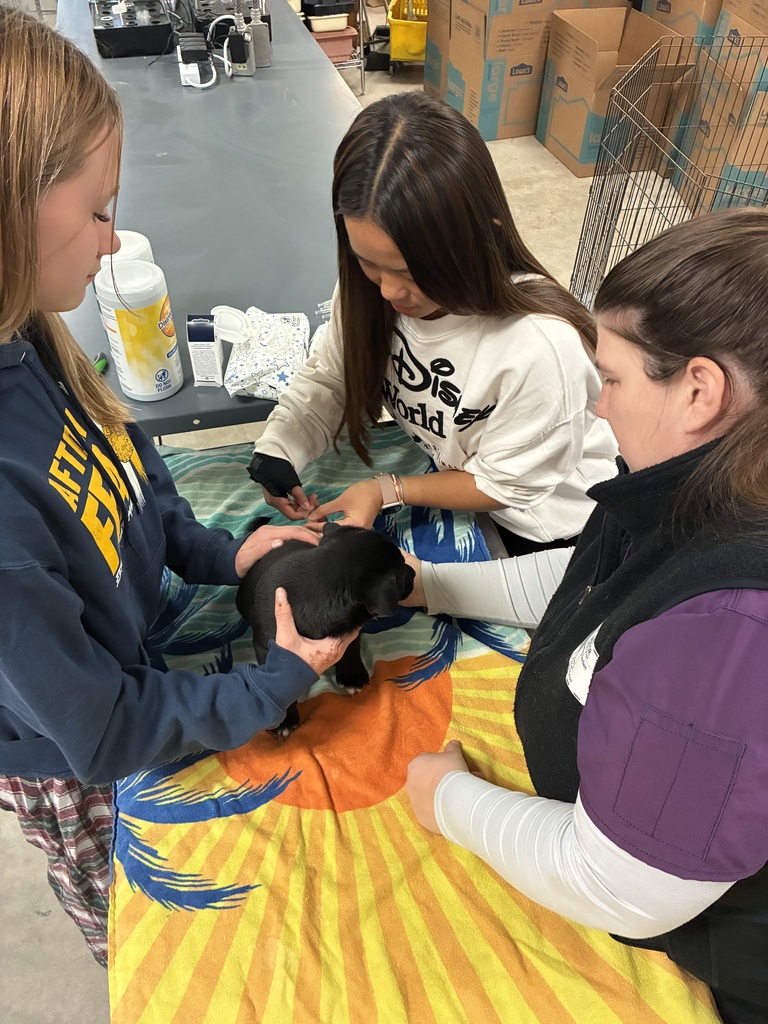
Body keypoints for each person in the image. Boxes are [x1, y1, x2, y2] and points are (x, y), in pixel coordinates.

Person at [0, 6, 357, 969]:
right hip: (77, 759)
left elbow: (130, 475)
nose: (115, 242)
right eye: (99, 210)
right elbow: (104, 727)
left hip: (125, 647)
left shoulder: (26, 331)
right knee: (142, 928)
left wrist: (214, 551)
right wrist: (277, 680)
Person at [405, 208, 768, 1024]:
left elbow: (620, 885)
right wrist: (429, 587)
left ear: (700, 390)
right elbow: (590, 592)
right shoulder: (688, 475)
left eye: (612, 378)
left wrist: (445, 801)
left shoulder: (731, 633)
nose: (599, 407)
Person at [248, 92, 617, 557]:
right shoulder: (372, 290)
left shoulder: (539, 348)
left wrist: (388, 489)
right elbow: (333, 373)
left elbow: (504, 486)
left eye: (410, 273)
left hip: (550, 526)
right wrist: (280, 446)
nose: (388, 292)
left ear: (480, 238)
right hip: (465, 489)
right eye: (368, 263)